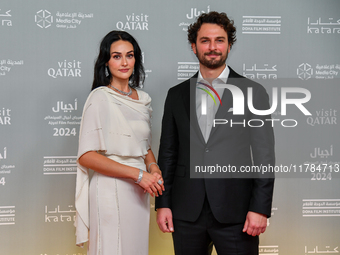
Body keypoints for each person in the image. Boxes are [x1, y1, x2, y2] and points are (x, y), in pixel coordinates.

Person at [155, 12, 275, 255]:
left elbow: (265, 157)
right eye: (205, 40)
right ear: (193, 45)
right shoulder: (176, 95)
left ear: (229, 45)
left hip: (237, 214)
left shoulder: (253, 92)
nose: (212, 47)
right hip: (186, 213)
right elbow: (168, 154)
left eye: (219, 40)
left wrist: (260, 209)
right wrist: (163, 204)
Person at [75, 30, 164, 255]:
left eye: (129, 55)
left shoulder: (143, 99)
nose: (124, 62)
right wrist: (139, 175)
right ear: (106, 61)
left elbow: (144, 146)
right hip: (110, 188)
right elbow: (87, 156)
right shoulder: (100, 97)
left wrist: (153, 168)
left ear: (136, 59)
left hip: (139, 192)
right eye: (116, 56)